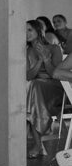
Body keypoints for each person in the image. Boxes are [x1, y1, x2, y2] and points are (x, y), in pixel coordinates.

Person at [26, 19, 63, 158]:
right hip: (37, 88)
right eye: (24, 31)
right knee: (34, 87)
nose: (26, 34)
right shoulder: (28, 50)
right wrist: (39, 61)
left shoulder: (54, 48)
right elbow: (29, 76)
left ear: (38, 31)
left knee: (34, 88)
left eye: (30, 30)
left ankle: (38, 145)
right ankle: (38, 144)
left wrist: (47, 60)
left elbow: (56, 74)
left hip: (55, 88)